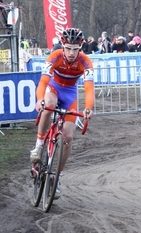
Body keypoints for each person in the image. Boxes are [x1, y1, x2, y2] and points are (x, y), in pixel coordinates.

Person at [29, 28, 94, 198]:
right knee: (48, 104)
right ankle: (39, 144)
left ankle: (57, 176)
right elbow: (43, 81)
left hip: (70, 94)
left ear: (80, 48)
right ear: (63, 46)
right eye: (68, 48)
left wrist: (88, 108)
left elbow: (89, 89)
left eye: (75, 49)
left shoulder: (85, 62)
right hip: (54, 88)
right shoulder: (55, 56)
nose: (72, 53)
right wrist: (39, 99)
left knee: (68, 136)